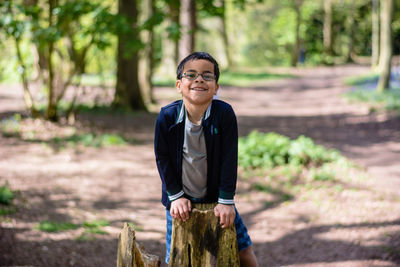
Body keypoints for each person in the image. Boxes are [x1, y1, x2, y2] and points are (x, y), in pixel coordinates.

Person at [154, 52, 258, 266]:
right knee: (178, 259)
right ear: (178, 84)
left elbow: (230, 158)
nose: (199, 79)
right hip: (180, 201)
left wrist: (226, 201)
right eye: (190, 74)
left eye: (207, 76)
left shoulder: (224, 114)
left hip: (217, 200)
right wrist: (175, 196)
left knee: (244, 253)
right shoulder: (167, 116)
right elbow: (162, 158)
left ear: (216, 87)